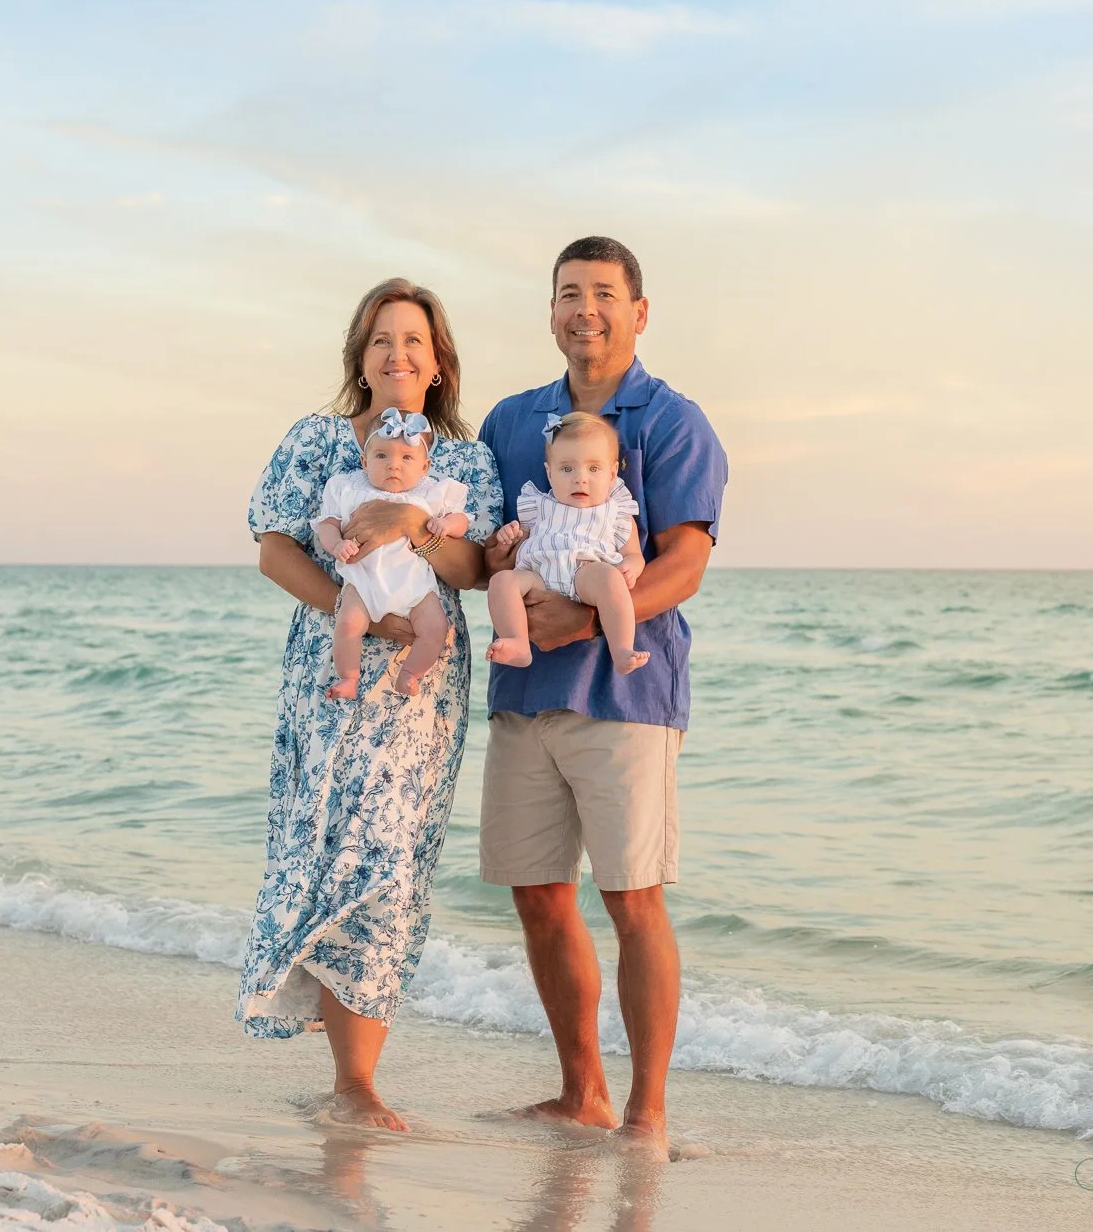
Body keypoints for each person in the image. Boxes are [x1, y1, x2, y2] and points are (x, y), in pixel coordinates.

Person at [478, 235, 728, 1154]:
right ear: (550, 312)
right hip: (522, 694)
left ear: (639, 312)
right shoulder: (511, 421)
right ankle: (581, 1092)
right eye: (569, 293)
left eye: (605, 294)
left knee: (633, 899)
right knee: (540, 897)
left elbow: (685, 563)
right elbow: (480, 541)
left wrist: (585, 621)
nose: (586, 309)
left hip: (628, 697)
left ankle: (647, 1113)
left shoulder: (673, 421)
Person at [239, 278, 502, 1132]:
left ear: (437, 364)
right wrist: (351, 611)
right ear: (360, 357)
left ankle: (357, 1081)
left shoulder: (465, 462)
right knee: (324, 847)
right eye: (382, 339)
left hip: (419, 689)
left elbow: (476, 570)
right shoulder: (316, 441)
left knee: (390, 858)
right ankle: (340, 1060)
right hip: (331, 670)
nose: (398, 354)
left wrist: (410, 525)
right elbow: (274, 548)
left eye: (414, 341)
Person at [314, 408, 471, 699]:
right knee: (348, 624)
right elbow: (327, 524)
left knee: (436, 627)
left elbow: (462, 520)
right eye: (381, 456)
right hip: (363, 582)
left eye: (406, 458)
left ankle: (410, 673)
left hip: (414, 585)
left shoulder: (431, 493)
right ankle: (348, 677)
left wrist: (447, 524)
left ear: (425, 466)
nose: (393, 466)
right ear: (365, 461)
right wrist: (336, 545)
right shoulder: (349, 488)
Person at [486, 411, 648, 674]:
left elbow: (633, 553)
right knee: (502, 582)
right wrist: (510, 534)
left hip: (584, 574)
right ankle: (517, 642)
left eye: (593, 468)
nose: (580, 478)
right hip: (538, 575)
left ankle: (621, 649)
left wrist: (632, 566)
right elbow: (522, 535)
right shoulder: (538, 504)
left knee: (610, 580)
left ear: (612, 474)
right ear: (549, 473)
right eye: (567, 468)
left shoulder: (615, 511)